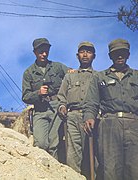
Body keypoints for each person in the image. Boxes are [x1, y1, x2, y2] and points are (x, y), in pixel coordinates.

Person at [83, 38, 138, 180]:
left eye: (123, 53)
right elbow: (91, 103)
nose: (119, 56)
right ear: (110, 56)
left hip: (136, 125)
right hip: (109, 126)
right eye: (116, 53)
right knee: (110, 170)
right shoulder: (99, 77)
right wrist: (89, 117)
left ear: (128, 55)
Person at [22, 38, 69, 161]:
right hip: (40, 110)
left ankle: (55, 172)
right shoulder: (29, 72)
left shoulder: (58, 67)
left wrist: (72, 72)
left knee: (54, 143)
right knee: (41, 144)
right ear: (35, 52)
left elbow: (71, 75)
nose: (44, 54)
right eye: (41, 52)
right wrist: (38, 93)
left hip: (56, 108)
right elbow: (25, 96)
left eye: (46, 51)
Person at [57, 41, 97, 177]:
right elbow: (61, 97)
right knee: (73, 155)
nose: (85, 55)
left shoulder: (99, 76)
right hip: (72, 118)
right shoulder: (69, 77)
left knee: (94, 154)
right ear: (77, 55)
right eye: (82, 52)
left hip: (93, 118)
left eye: (89, 52)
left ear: (94, 56)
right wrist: (62, 107)